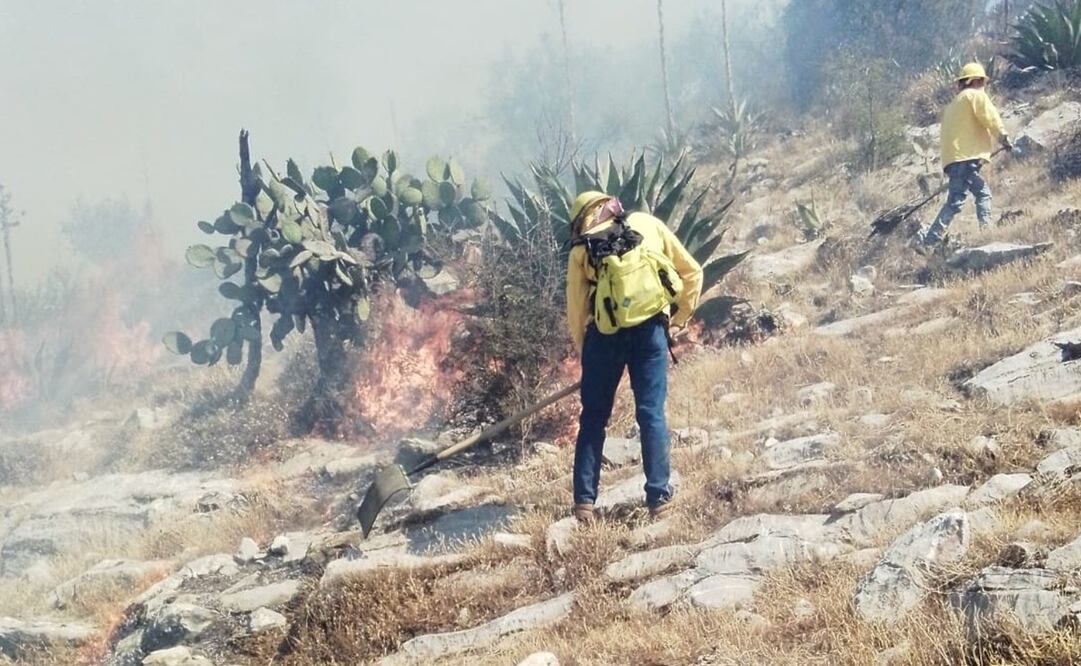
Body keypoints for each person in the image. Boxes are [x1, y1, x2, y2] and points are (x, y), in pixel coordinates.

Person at [565, 191, 702, 521]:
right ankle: (659, 497)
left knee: (594, 418)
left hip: (604, 337)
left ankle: (584, 503)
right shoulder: (646, 223)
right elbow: (692, 272)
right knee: (650, 413)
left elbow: (576, 309)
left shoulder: (582, 248)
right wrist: (678, 319)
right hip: (651, 331)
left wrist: (588, 353)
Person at [920, 62, 1013, 247]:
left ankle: (929, 242)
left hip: (953, 159)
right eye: (982, 82)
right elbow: (990, 117)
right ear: (976, 80)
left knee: (955, 200)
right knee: (981, 195)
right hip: (966, 157)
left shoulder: (954, 104)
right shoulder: (975, 96)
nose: (984, 86)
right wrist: (1003, 137)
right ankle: (986, 233)